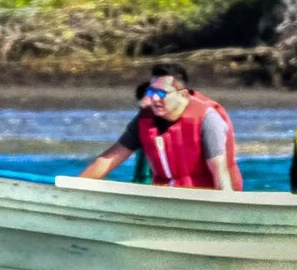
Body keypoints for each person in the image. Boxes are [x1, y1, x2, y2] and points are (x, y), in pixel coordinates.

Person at [78, 63, 238, 191]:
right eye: (151, 91)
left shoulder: (208, 119)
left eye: (161, 93)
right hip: (166, 198)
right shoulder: (144, 119)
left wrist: (227, 212)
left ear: (182, 94)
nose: (154, 99)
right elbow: (109, 159)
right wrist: (76, 188)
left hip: (204, 199)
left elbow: (220, 172)